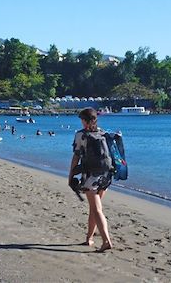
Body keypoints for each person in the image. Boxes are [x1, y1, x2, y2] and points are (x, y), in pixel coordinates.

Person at [69, 107, 113, 252]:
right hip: (106, 176)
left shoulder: (81, 135)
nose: (81, 122)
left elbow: (76, 156)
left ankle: (106, 241)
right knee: (94, 208)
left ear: (85, 120)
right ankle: (89, 238)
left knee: (97, 209)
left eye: (82, 119)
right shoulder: (103, 133)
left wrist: (71, 175)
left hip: (91, 176)